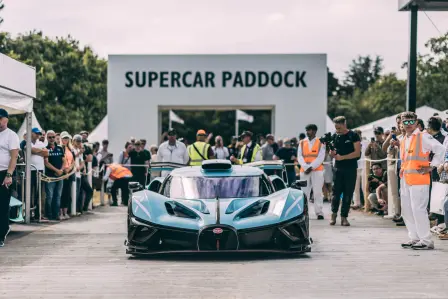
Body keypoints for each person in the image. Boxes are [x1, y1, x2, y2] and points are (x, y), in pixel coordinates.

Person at [399, 111, 445, 250]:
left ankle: (426, 240)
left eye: (410, 121)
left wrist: (431, 167)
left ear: (416, 122)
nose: (408, 124)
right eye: (405, 122)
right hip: (406, 179)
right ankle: (415, 238)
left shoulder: (422, 136)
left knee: (418, 210)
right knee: (406, 210)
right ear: (401, 123)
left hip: (419, 179)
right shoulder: (404, 138)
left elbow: (441, 150)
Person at [329, 116, 361, 226]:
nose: (337, 130)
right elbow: (331, 152)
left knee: (348, 193)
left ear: (344, 124)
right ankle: (333, 215)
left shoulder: (353, 135)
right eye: (336, 128)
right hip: (338, 168)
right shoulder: (334, 136)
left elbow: (357, 153)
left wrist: (342, 157)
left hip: (351, 168)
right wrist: (331, 154)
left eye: (339, 128)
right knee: (335, 193)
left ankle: (344, 217)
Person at [0, 109, 19, 247]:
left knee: (2, 205)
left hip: (4, 172)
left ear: (6, 120)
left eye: (0, 118)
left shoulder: (11, 135)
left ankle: (1, 234)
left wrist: (9, 175)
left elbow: (14, 157)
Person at [297, 124, 326, 219]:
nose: (307, 132)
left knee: (317, 191)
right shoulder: (301, 142)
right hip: (304, 171)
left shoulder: (321, 142)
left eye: (309, 130)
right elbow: (299, 156)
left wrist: (311, 167)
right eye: (306, 130)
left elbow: (321, 157)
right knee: (304, 192)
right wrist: (306, 167)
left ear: (314, 131)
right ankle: (304, 212)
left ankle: (319, 212)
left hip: (317, 170)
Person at [44, 130, 66, 221]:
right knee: (50, 196)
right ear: (47, 138)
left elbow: (64, 160)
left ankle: (56, 214)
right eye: (50, 137)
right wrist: (56, 170)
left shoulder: (60, 148)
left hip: (60, 176)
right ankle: (49, 214)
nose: (52, 139)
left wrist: (61, 170)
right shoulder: (45, 148)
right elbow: (46, 163)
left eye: (53, 137)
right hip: (50, 176)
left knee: (58, 195)